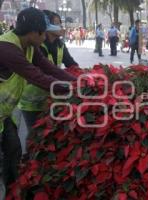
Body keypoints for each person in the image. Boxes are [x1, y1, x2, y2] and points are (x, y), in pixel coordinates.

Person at [0, 8, 76, 199]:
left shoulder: (30, 47)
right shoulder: (7, 48)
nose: (45, 37)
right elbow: (37, 77)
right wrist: (71, 90)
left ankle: (13, 193)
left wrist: (78, 82)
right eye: (43, 32)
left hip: (4, 115)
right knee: (6, 158)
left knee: (13, 153)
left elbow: (49, 69)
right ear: (34, 32)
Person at [17, 10, 79, 133]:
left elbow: (68, 65)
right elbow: (38, 75)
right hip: (32, 101)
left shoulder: (59, 45)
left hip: (51, 98)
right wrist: (69, 87)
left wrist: (81, 79)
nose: (60, 26)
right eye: (57, 23)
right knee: (34, 137)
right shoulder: (35, 45)